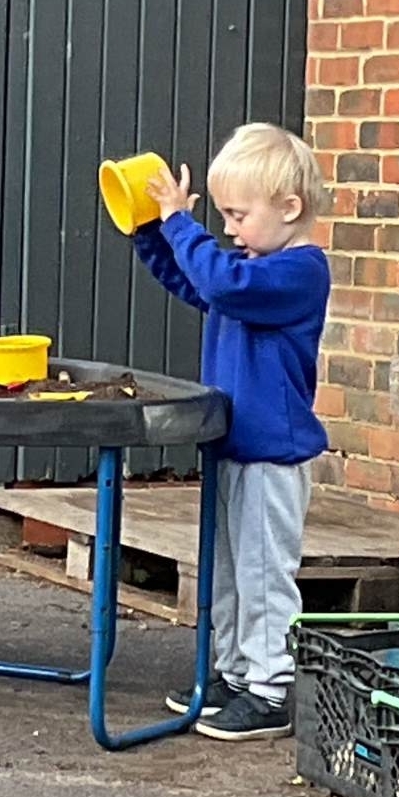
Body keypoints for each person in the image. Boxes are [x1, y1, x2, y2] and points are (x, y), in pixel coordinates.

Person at [129, 122, 332, 742]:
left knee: (264, 575)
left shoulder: (297, 273)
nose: (230, 229)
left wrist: (179, 223)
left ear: (289, 208)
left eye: (239, 216)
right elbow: (195, 279)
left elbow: (219, 280)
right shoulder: (249, 271)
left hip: (272, 456)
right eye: (223, 216)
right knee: (226, 573)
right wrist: (150, 231)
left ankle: (271, 688)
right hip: (231, 447)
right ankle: (235, 673)